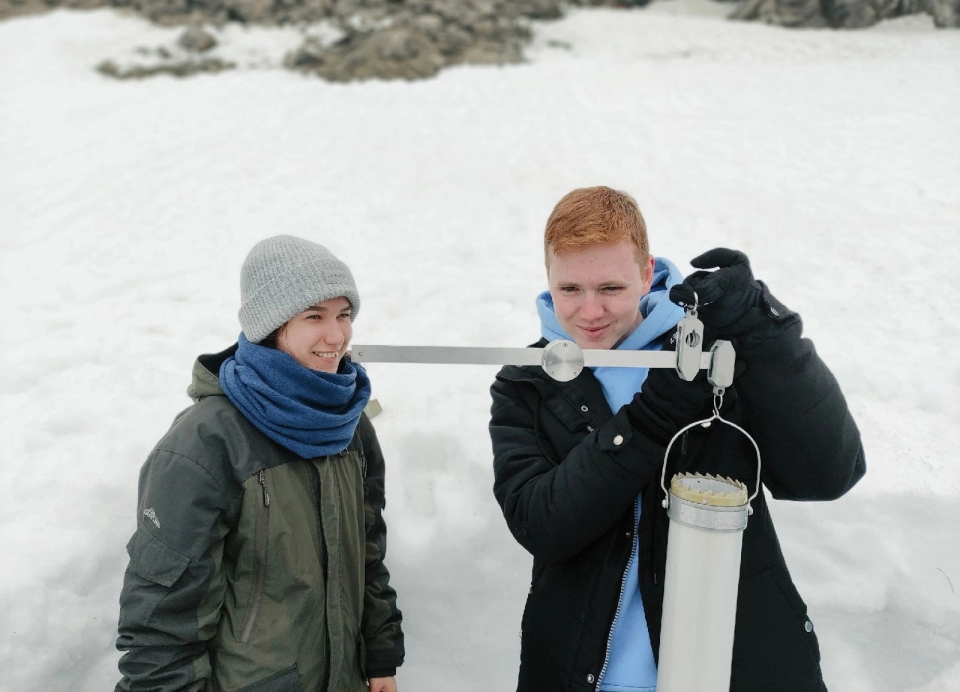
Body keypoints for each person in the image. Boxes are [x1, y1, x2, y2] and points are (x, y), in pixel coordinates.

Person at [488, 186, 865, 692]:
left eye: (612, 288)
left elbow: (827, 473)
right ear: (548, 279)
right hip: (584, 676)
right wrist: (648, 421)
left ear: (647, 274)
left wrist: (765, 331)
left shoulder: (714, 355)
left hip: (735, 667)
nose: (590, 311)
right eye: (570, 289)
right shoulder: (527, 381)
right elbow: (541, 522)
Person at [116, 235, 404, 692]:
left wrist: (380, 656)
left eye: (343, 314)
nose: (337, 335)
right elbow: (161, 619)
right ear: (271, 325)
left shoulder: (349, 424)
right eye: (314, 316)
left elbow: (367, 553)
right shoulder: (204, 444)